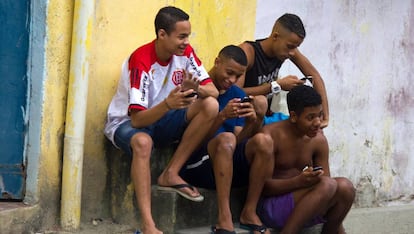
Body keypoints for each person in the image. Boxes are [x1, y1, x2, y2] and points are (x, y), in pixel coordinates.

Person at [104, 6, 219, 234]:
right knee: (143, 142)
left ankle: (170, 173)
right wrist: (168, 104)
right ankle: (148, 225)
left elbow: (213, 92)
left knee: (210, 105)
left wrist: (196, 89)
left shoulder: (185, 54)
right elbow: (137, 121)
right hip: (125, 124)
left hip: (164, 118)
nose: (186, 42)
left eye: (188, 36)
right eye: (182, 36)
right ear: (162, 34)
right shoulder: (141, 60)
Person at [180, 45, 274, 234]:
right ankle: (224, 218)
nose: (231, 80)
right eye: (229, 73)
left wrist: (252, 123)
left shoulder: (238, 95)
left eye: (237, 76)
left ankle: (249, 211)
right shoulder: (198, 88)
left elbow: (238, 141)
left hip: (226, 162)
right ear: (217, 62)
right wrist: (221, 117)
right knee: (225, 139)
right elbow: (192, 143)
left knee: (264, 140)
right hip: (196, 164)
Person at [257, 85, 355, 234]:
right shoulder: (271, 136)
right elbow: (263, 188)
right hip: (272, 207)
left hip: (306, 206)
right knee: (328, 184)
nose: (317, 122)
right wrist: (298, 182)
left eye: (320, 115)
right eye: (310, 117)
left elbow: (327, 186)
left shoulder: (318, 140)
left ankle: (330, 231)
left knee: (346, 187)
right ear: (294, 116)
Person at [237, 13, 329, 128]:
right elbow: (234, 93)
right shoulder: (248, 52)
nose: (292, 52)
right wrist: (276, 86)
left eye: (296, 47)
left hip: (265, 116)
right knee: (261, 101)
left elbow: (315, 76)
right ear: (275, 37)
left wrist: (324, 117)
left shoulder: (285, 51)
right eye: (290, 46)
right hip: (242, 117)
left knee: (308, 125)